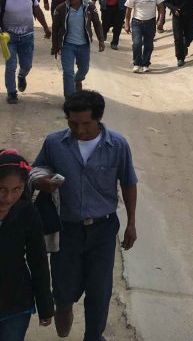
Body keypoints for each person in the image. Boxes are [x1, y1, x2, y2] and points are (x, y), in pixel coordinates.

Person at [32, 90, 138, 341]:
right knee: (63, 292)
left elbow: (129, 183)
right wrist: (41, 182)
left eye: (86, 124)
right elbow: (37, 169)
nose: (79, 130)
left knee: (99, 292)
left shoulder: (118, 145)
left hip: (102, 230)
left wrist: (131, 223)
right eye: (73, 123)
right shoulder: (54, 143)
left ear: (98, 119)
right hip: (65, 231)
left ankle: (93, 336)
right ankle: (65, 317)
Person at [0, 150, 54, 340]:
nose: (8, 198)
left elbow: (38, 260)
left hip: (16, 302)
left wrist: (45, 305)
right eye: (2, 189)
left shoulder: (28, 214)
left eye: (17, 189)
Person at [2, 0, 51, 103]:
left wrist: (46, 28)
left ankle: (22, 75)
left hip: (27, 37)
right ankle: (12, 92)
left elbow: (37, 11)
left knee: (27, 65)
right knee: (10, 66)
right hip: (9, 38)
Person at [50, 0, 104, 98]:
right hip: (67, 45)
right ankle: (69, 98)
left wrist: (101, 39)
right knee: (68, 72)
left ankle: (76, 80)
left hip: (84, 45)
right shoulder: (60, 9)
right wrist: (55, 46)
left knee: (84, 69)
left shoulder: (90, 7)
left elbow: (97, 23)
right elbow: (55, 29)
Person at [123, 0, 164, 73]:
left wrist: (160, 21)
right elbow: (128, 11)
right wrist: (127, 24)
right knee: (137, 43)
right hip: (137, 23)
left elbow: (161, 8)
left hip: (150, 22)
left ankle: (146, 64)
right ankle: (137, 63)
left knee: (148, 44)